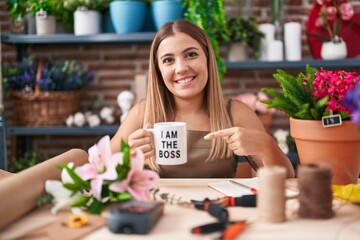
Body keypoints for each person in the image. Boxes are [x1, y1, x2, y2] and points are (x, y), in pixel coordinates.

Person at [110, 19, 295, 178]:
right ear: (158, 70)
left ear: (207, 59)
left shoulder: (236, 112)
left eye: (191, 55)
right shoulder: (142, 113)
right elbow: (98, 169)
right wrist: (126, 160)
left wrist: (266, 145)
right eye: (168, 60)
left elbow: (287, 178)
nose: (181, 68)